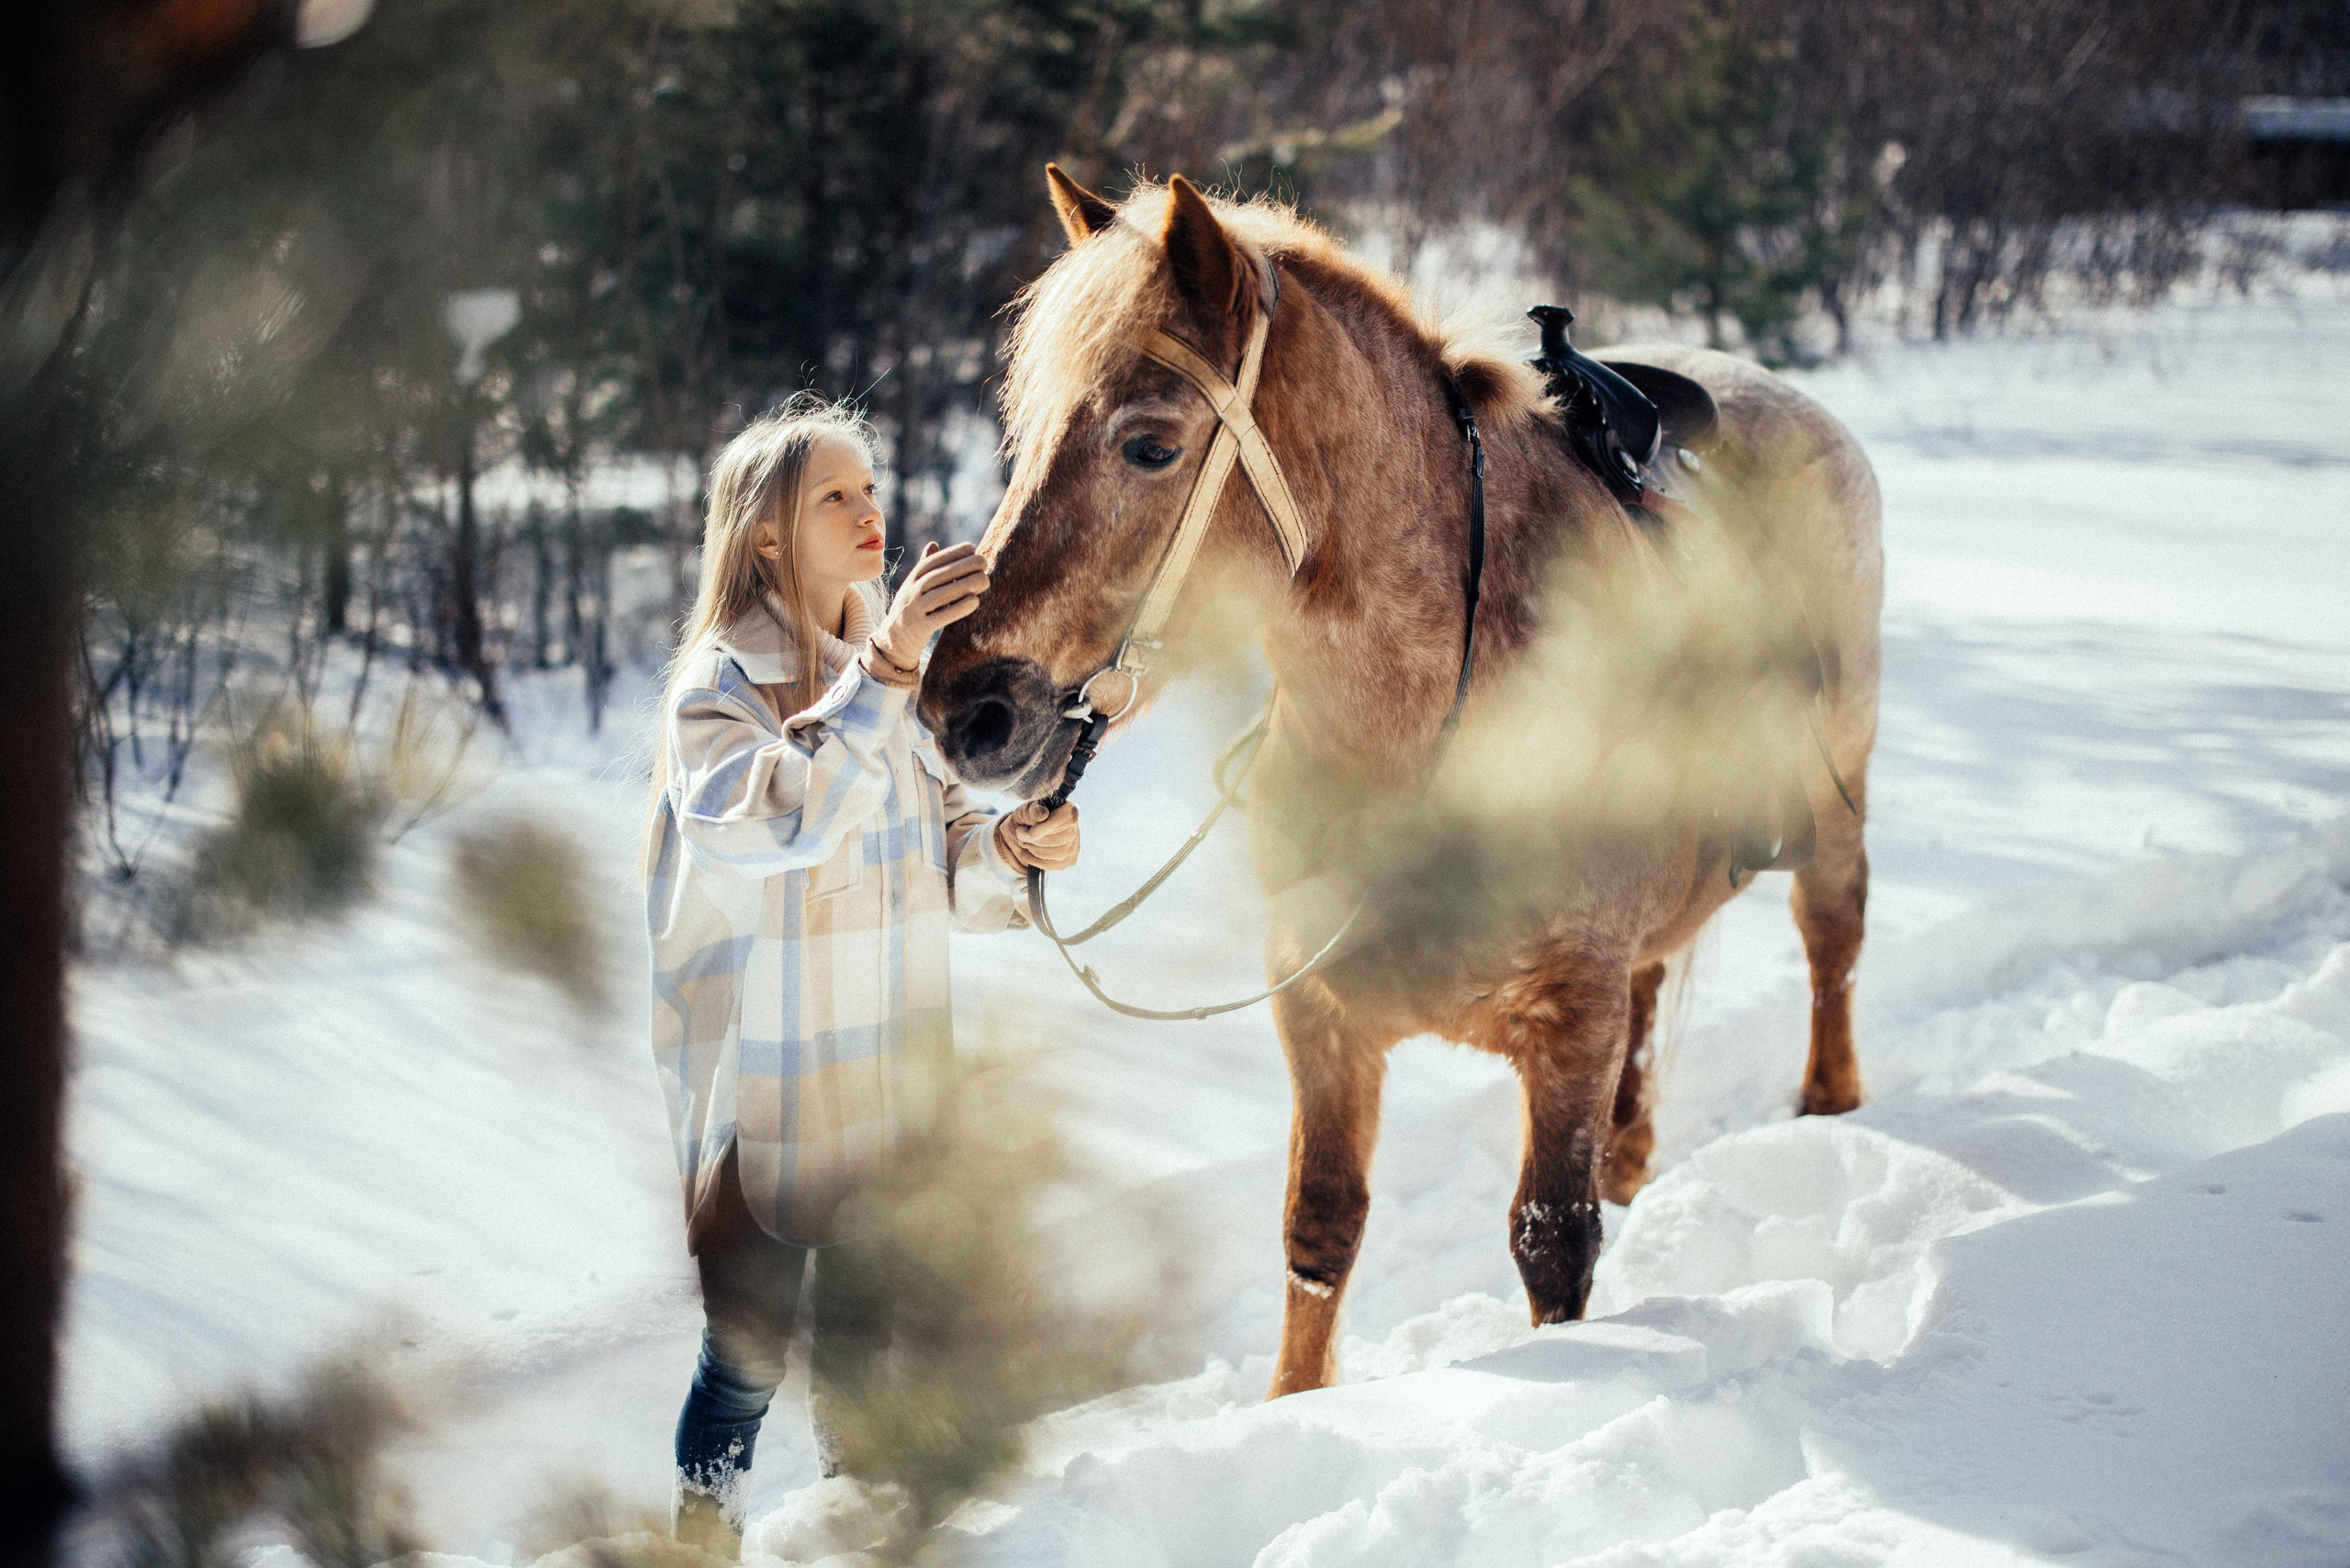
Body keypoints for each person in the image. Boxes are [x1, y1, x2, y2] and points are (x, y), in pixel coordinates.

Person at [643, 398, 1079, 1553]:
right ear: (768, 533)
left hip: (889, 1070)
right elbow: (769, 824)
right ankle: (704, 1539)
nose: (868, 510)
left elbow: (933, 851)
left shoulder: (882, 671)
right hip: (770, 1090)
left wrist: (1010, 849)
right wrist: (886, 667)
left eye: (870, 486)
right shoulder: (718, 684)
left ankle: (861, 1534)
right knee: (746, 1364)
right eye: (834, 493)